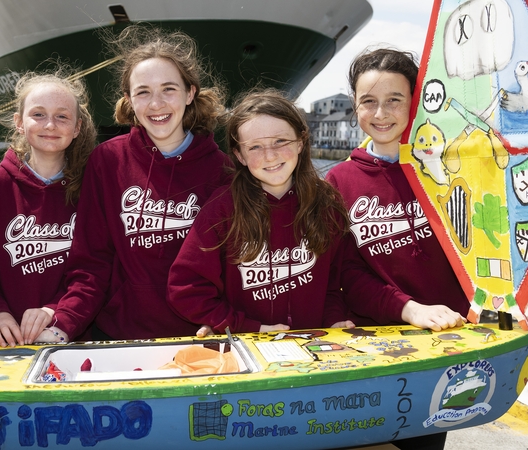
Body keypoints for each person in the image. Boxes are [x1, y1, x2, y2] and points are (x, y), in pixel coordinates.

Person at [167, 89, 462, 335]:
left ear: (301, 141)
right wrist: (241, 325)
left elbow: (334, 283)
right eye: (255, 147)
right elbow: (186, 288)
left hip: (312, 350)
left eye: (281, 141)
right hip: (250, 346)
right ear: (240, 155)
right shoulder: (222, 210)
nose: (269, 155)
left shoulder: (325, 204)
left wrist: (333, 319)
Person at [46, 25, 231, 342]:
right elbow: (92, 260)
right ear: (129, 100)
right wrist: (64, 324)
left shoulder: (222, 170)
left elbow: (231, 266)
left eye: (169, 89)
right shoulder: (108, 161)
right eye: (143, 92)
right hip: (119, 334)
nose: (156, 104)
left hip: (197, 335)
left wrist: (223, 320)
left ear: (190, 93)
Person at [325, 47, 471, 450]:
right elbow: (346, 275)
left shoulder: (452, 169)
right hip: (374, 344)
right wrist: (409, 308)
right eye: (368, 102)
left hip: (443, 345)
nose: (381, 113)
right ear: (355, 107)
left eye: (394, 100)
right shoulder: (337, 183)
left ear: (417, 101)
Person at [0, 67, 97, 347]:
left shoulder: (91, 187)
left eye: (62, 116)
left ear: (77, 127)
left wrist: (56, 312)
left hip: (72, 337)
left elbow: (93, 269)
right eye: (38, 114)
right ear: (19, 122)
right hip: (6, 341)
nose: (50, 125)